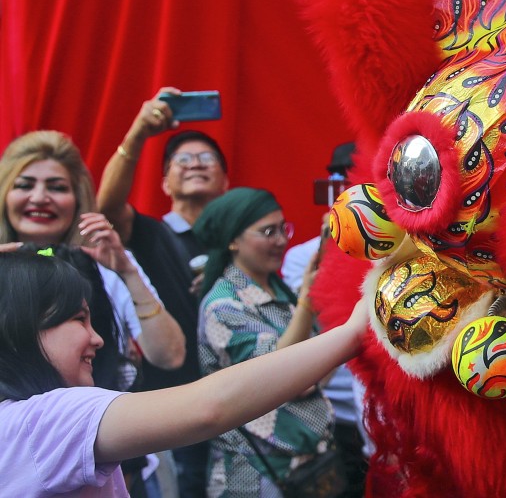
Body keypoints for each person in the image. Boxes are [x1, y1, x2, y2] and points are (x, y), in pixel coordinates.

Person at [0, 249, 367, 497]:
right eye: (79, 319)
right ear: (17, 327)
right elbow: (210, 407)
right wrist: (352, 333)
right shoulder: (44, 421)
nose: (97, 339)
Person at [1, 130, 188, 495]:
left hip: (112, 464)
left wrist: (127, 272)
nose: (40, 198)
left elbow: (171, 356)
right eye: (26, 184)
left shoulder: (103, 265)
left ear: (77, 199)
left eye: (56, 187)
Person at [98, 88, 230, 495]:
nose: (195, 165)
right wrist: (138, 132)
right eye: (182, 160)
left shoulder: (243, 245)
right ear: (165, 181)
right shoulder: (149, 234)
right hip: (175, 408)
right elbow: (107, 207)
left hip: (237, 404)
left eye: (206, 159)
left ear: (226, 181)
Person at [195, 187, 334, 497]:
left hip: (304, 466)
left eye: (283, 228)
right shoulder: (222, 306)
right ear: (233, 240)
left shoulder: (278, 290)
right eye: (268, 231)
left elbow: (315, 374)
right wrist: (307, 302)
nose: (281, 240)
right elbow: (278, 375)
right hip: (253, 476)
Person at [281, 142, 369, 498]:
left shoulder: (403, 243)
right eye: (339, 179)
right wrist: (332, 245)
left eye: (356, 177)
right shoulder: (302, 257)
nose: (348, 187)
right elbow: (305, 326)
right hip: (335, 414)